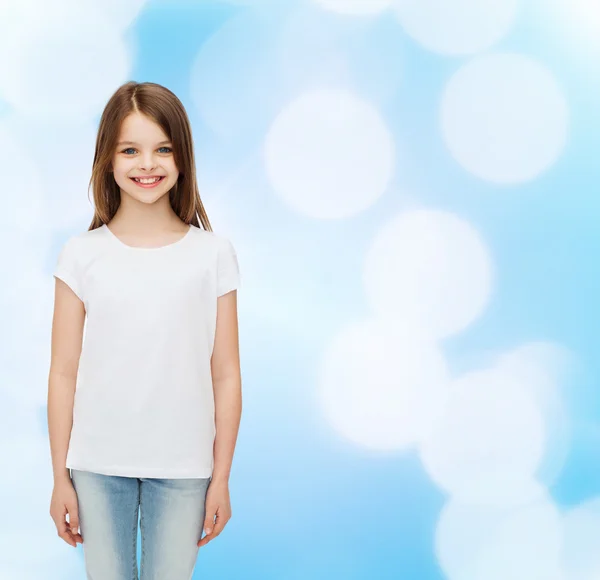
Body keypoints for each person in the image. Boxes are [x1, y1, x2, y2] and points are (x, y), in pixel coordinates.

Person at [47, 81, 242, 579]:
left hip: (184, 467)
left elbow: (226, 374)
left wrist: (220, 478)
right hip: (96, 463)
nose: (147, 164)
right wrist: (60, 479)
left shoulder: (212, 254)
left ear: (182, 159)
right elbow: (63, 373)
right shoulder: (81, 255)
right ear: (108, 160)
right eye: (130, 150)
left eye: (162, 150)